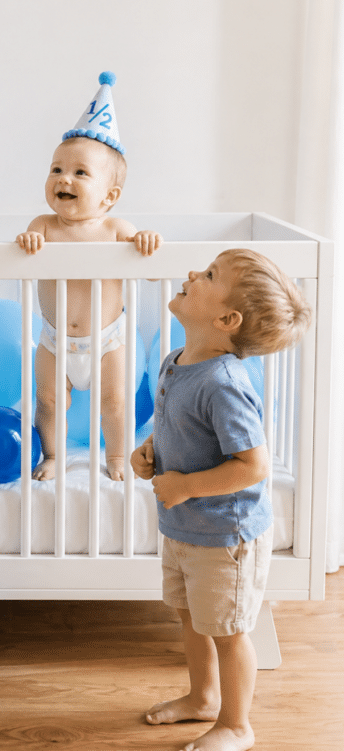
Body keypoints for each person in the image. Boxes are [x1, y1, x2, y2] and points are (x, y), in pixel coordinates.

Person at [131, 248, 311, 751]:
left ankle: (236, 724)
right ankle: (203, 697)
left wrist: (185, 485)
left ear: (226, 319)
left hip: (225, 534)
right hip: (187, 527)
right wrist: (148, 452)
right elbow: (177, 429)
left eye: (209, 275)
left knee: (228, 632)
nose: (192, 273)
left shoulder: (224, 383)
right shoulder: (176, 362)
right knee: (192, 618)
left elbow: (251, 465)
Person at [16, 72, 162, 481]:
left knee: (115, 401)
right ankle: (53, 457)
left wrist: (146, 243)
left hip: (108, 338)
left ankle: (116, 458)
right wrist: (28, 242)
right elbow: (25, 252)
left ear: (110, 196)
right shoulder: (43, 224)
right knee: (47, 400)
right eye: (57, 168)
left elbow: (151, 273)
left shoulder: (118, 230)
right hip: (54, 337)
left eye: (81, 173)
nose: (64, 178)